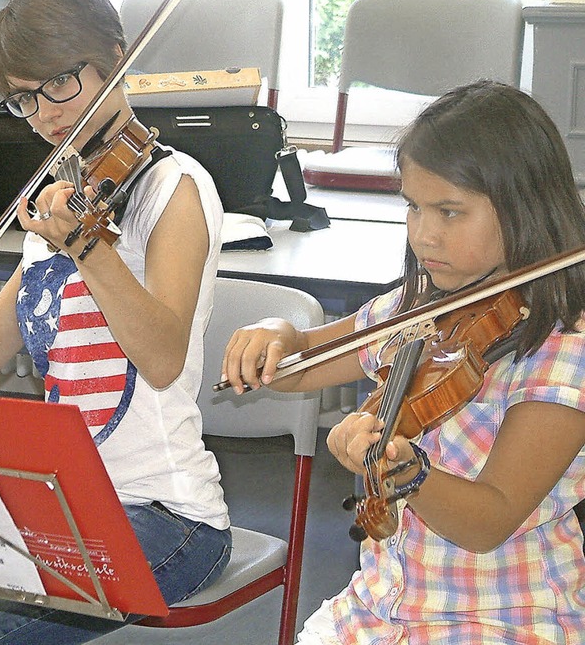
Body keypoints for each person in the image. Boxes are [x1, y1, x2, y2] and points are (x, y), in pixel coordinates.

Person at [222, 80, 585, 644]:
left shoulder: (562, 349)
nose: (423, 234)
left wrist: (409, 473)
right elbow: (305, 364)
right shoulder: (419, 308)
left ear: (524, 206)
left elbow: (489, 520)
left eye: (449, 211)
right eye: (413, 207)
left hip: (501, 616)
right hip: (382, 604)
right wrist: (279, 332)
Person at [0, 0, 231, 642]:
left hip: (166, 515)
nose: (47, 113)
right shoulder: (59, 209)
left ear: (115, 58)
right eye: (24, 99)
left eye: (61, 83)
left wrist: (86, 247)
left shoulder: (173, 188)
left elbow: (160, 357)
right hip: (64, 501)